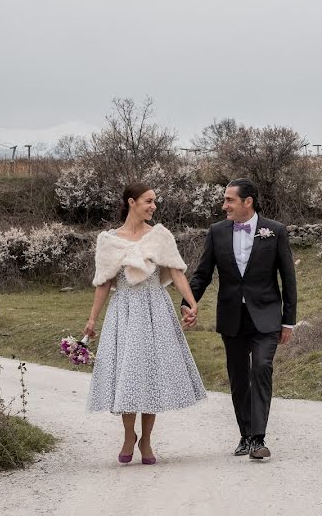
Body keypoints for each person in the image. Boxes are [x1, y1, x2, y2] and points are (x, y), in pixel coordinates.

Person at [84, 182, 207, 465]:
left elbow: (176, 272)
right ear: (131, 202)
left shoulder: (161, 236)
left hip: (156, 310)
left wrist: (190, 302)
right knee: (128, 374)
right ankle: (130, 435)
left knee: (151, 375)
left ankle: (148, 440)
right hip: (124, 311)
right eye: (148, 201)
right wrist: (92, 319)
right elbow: (103, 283)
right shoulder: (109, 241)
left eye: (155, 202)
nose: (153, 206)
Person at [182, 178, 297, 459]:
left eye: (229, 200)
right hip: (232, 316)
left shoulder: (276, 231)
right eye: (224, 200)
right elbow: (202, 274)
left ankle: (259, 439)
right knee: (238, 376)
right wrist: (188, 303)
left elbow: (288, 278)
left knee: (260, 367)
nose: (224, 206)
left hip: (267, 316)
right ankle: (245, 435)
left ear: (248, 202)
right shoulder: (217, 232)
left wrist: (288, 321)